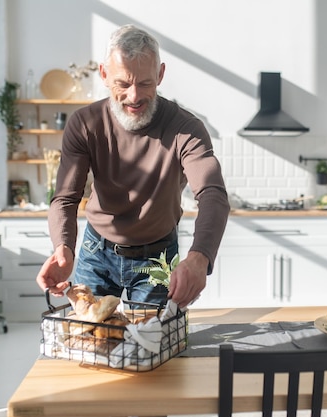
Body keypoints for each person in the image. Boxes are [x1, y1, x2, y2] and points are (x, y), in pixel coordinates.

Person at [35, 24, 230, 309]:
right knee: (93, 341)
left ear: (161, 75)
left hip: (158, 255)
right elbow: (66, 196)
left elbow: (212, 194)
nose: (135, 96)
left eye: (145, 83)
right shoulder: (84, 124)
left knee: (155, 347)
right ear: (104, 74)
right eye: (123, 84)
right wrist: (63, 248)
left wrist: (200, 258)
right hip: (96, 251)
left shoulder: (186, 129)